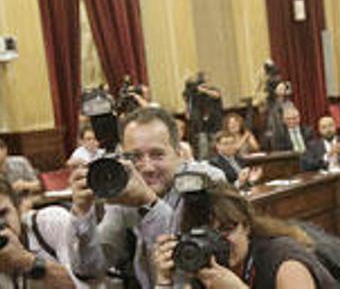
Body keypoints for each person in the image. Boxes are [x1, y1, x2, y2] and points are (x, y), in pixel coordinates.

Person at [68, 106, 226, 287]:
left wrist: (149, 204)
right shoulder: (126, 188)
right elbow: (90, 268)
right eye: (135, 157)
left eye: (157, 155)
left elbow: (186, 273)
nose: (147, 167)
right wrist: (82, 215)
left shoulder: (207, 181)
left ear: (179, 153)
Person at [153, 183, 339, 288]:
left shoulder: (284, 260)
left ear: (247, 226)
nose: (216, 241)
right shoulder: (206, 267)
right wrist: (163, 281)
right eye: (204, 234)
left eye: (226, 229)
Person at [0, 178, 77, 288]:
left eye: (3, 213)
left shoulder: (51, 222)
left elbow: (87, 284)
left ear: (18, 209)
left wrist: (27, 261)